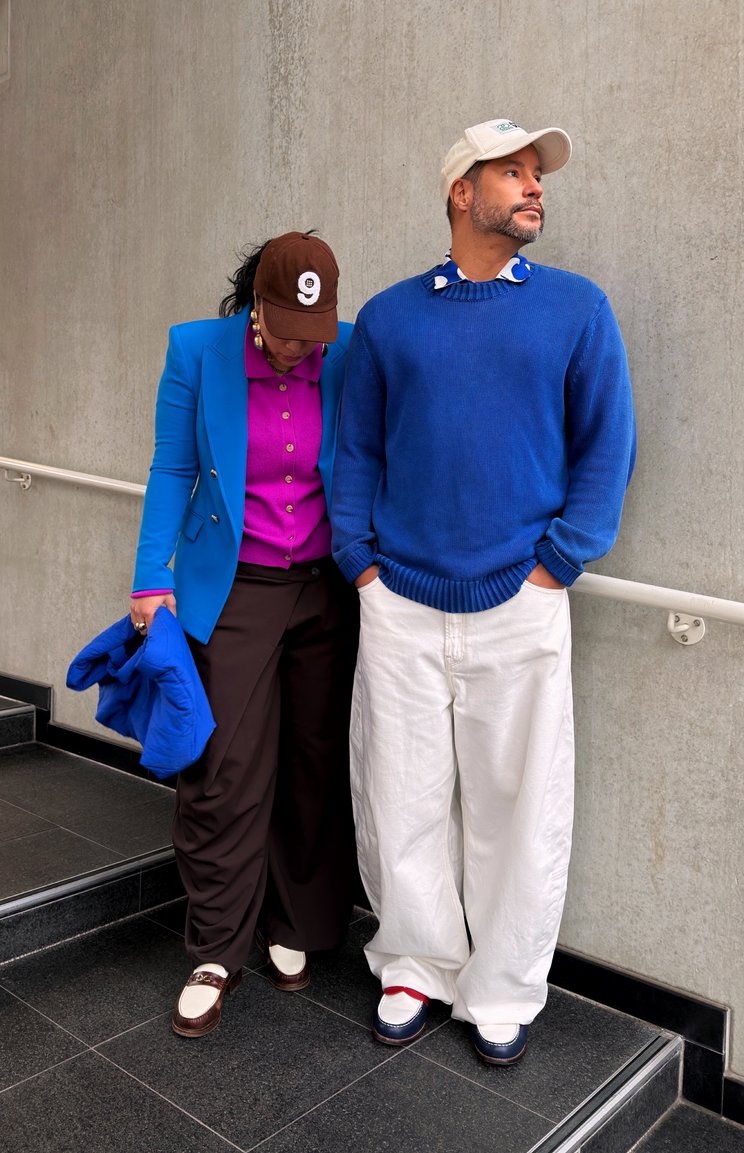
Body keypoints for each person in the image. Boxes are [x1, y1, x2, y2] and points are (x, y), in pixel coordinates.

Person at [331, 119, 636, 1066]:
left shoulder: (578, 309)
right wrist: (361, 563)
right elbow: (357, 450)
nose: (534, 185)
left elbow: (606, 446)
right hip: (401, 600)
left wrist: (563, 559)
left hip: (523, 598)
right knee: (399, 789)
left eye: (537, 173)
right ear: (461, 191)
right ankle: (413, 962)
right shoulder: (388, 318)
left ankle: (503, 985)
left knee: (521, 802)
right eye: (513, 171)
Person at [130, 230, 358, 1037]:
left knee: (311, 758)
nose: (304, 351)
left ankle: (295, 921)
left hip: (328, 584)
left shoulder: (349, 351)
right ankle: (215, 950)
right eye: (290, 333)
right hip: (236, 588)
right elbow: (171, 467)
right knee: (224, 766)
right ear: (256, 307)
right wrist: (150, 577)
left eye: (316, 335)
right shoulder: (198, 351)